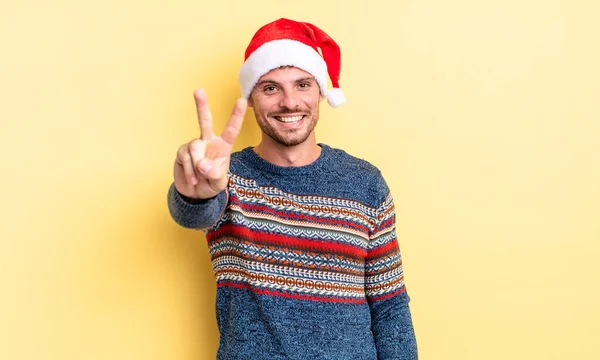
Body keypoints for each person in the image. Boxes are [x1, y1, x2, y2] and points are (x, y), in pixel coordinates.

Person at [167, 18, 418, 360]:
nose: (289, 102)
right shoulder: (226, 175)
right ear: (251, 98)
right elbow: (195, 212)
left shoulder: (365, 183)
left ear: (320, 92)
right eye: (270, 88)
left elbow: (390, 309)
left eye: (302, 84)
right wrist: (193, 193)